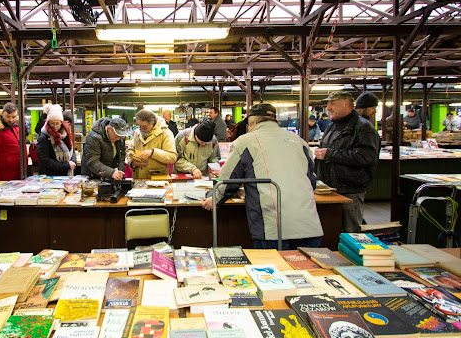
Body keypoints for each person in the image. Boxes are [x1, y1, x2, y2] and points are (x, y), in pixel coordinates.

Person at [202, 103, 323, 250]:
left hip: (273, 228)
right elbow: (312, 181)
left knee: (272, 272)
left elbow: (228, 181)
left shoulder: (246, 141)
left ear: (252, 123)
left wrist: (215, 199)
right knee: (306, 272)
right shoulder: (299, 141)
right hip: (310, 226)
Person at [315, 91, 381, 233]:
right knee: (331, 231)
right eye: (328, 104)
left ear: (346, 103)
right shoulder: (332, 126)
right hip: (329, 189)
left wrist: (330, 154)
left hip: (350, 190)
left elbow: (366, 157)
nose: (329, 108)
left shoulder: (363, 127)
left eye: (332, 103)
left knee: (350, 232)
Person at [126, 109, 177, 179]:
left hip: (157, 180)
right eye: (139, 126)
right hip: (138, 179)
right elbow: (130, 149)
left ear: (152, 123)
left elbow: (172, 157)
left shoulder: (165, 133)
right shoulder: (138, 132)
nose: (141, 129)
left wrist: (153, 152)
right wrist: (132, 161)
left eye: (144, 126)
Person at [37, 104, 76, 176]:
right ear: (48, 123)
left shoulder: (65, 134)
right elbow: (45, 160)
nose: (55, 126)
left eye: (57, 123)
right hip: (50, 175)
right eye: (52, 123)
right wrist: (66, 165)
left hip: (65, 174)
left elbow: (71, 149)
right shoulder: (44, 137)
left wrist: (73, 161)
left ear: (61, 123)